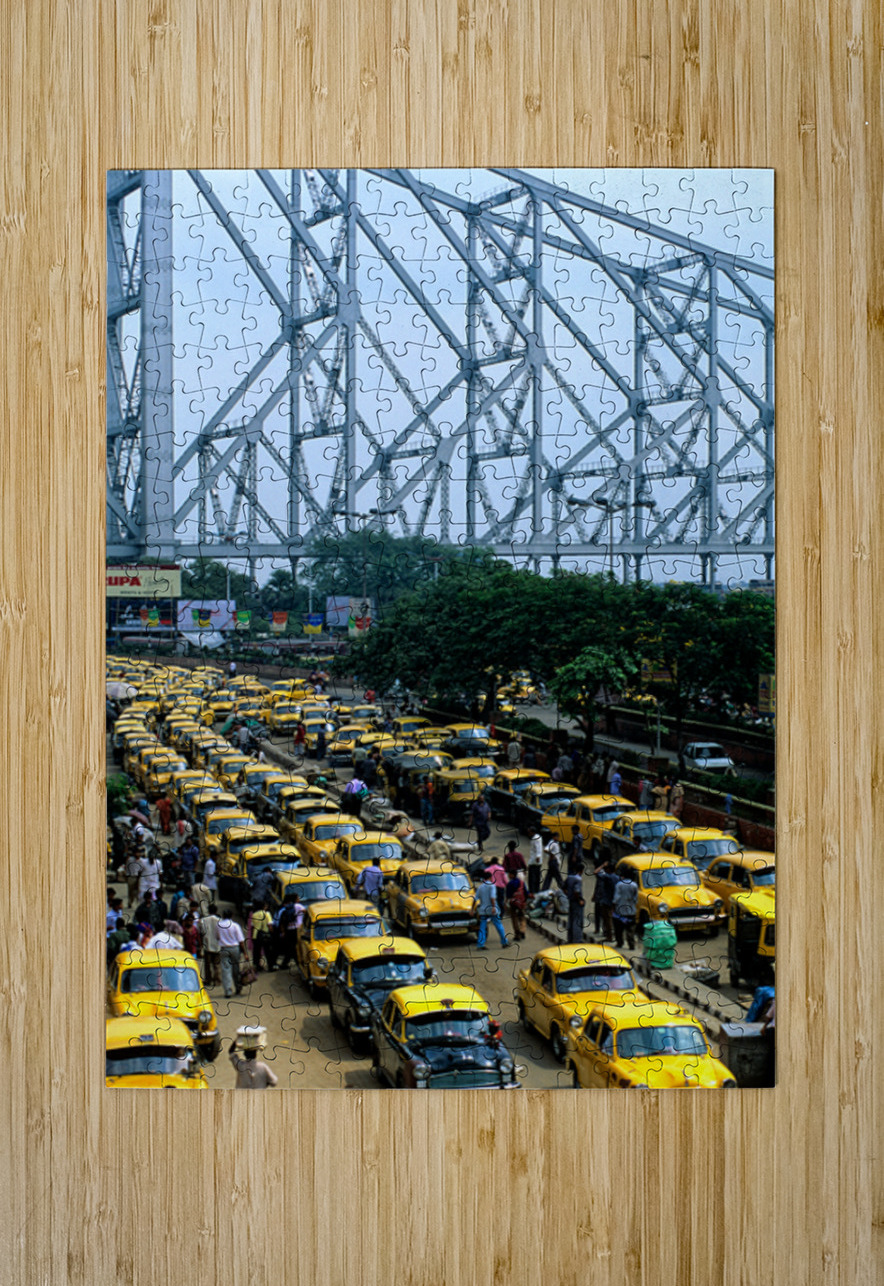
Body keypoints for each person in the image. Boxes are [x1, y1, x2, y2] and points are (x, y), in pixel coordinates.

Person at [475, 872, 510, 949]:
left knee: (482, 927)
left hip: (483, 910)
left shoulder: (480, 887)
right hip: (492, 909)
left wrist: (471, 909)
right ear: (490, 877)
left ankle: (480, 944)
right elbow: (492, 897)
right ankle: (504, 942)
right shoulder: (492, 886)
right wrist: (494, 907)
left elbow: (475, 898)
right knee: (498, 925)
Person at [611, 866, 638, 950]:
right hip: (631, 911)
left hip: (620, 911)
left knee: (618, 929)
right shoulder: (634, 885)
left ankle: (620, 943)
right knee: (630, 930)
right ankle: (631, 945)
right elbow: (635, 899)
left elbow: (616, 898)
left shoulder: (619, 885)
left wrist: (613, 908)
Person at [592, 859, 615, 940]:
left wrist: (602, 865)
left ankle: (607, 933)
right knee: (603, 916)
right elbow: (597, 885)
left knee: (605, 917)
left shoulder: (606, 876)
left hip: (604, 899)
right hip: (603, 898)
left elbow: (595, 872)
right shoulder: (614, 877)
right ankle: (602, 930)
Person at [199, 904, 222, 986]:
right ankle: (217, 980)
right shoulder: (219, 920)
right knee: (217, 965)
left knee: (208, 965)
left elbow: (201, 932)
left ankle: (209, 980)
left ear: (208, 911)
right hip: (217, 945)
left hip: (207, 945)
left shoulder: (203, 920)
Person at [563, 862, 586, 943]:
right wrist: (580, 900)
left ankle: (570, 938)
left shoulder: (569, 877)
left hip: (571, 900)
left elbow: (564, 887)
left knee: (571, 919)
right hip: (576, 902)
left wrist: (569, 894)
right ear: (582, 871)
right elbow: (577, 891)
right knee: (577, 921)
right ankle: (577, 939)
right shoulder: (578, 880)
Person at [250, 901, 274, 971]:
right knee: (268, 952)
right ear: (263, 906)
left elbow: (252, 926)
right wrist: (272, 932)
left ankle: (258, 966)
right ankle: (270, 966)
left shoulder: (254, 914)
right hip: (265, 935)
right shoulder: (267, 914)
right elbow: (269, 925)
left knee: (257, 952)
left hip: (256, 935)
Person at [505, 871, 528, 941]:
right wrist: (524, 901)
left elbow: (508, 895)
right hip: (521, 903)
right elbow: (526, 892)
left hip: (513, 904)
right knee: (522, 917)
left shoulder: (510, 884)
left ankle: (517, 934)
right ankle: (523, 930)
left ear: (512, 875)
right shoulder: (521, 883)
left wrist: (505, 903)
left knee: (514, 918)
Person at [526, 828, 543, 895]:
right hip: (536, 861)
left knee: (532, 878)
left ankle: (532, 891)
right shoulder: (537, 837)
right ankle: (536, 890)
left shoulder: (536, 839)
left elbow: (538, 848)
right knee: (536, 877)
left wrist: (538, 856)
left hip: (535, 861)